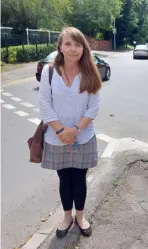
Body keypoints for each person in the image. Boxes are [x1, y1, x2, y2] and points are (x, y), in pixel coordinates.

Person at [39, 27, 102, 238]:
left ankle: (80, 216)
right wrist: (61, 131)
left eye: (78, 44)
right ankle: (67, 217)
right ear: (60, 47)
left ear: (83, 48)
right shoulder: (49, 72)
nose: (73, 49)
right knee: (65, 178)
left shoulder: (90, 72)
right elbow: (44, 105)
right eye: (68, 44)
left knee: (79, 177)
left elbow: (93, 107)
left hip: (83, 136)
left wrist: (75, 130)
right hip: (56, 138)